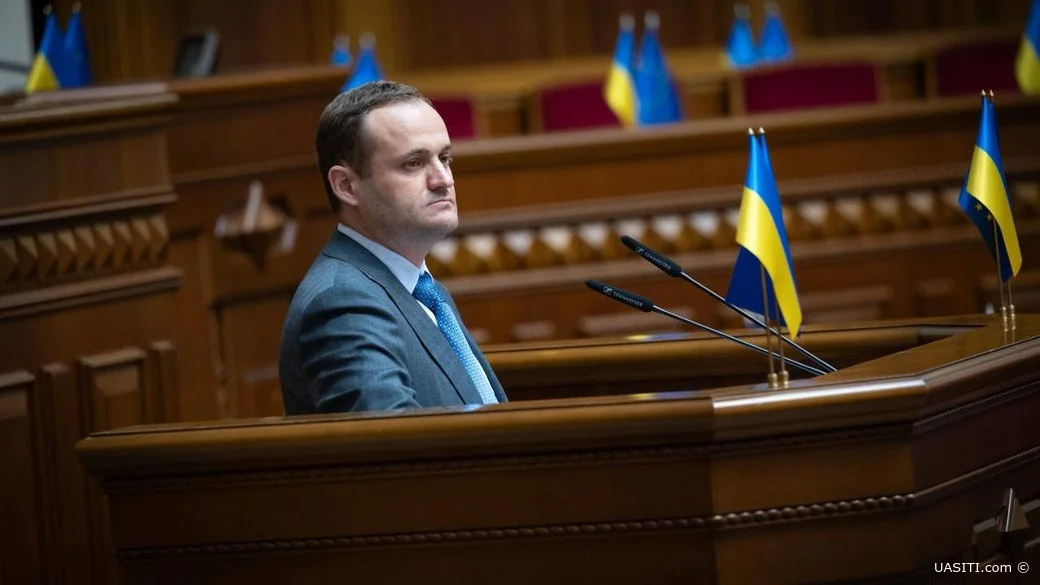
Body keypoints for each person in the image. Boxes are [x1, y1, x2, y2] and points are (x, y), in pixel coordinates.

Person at [279, 81, 507, 414]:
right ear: (347, 186)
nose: (443, 179)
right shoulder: (342, 302)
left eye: (444, 158)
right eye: (413, 163)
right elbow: (391, 438)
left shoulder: (421, 289)